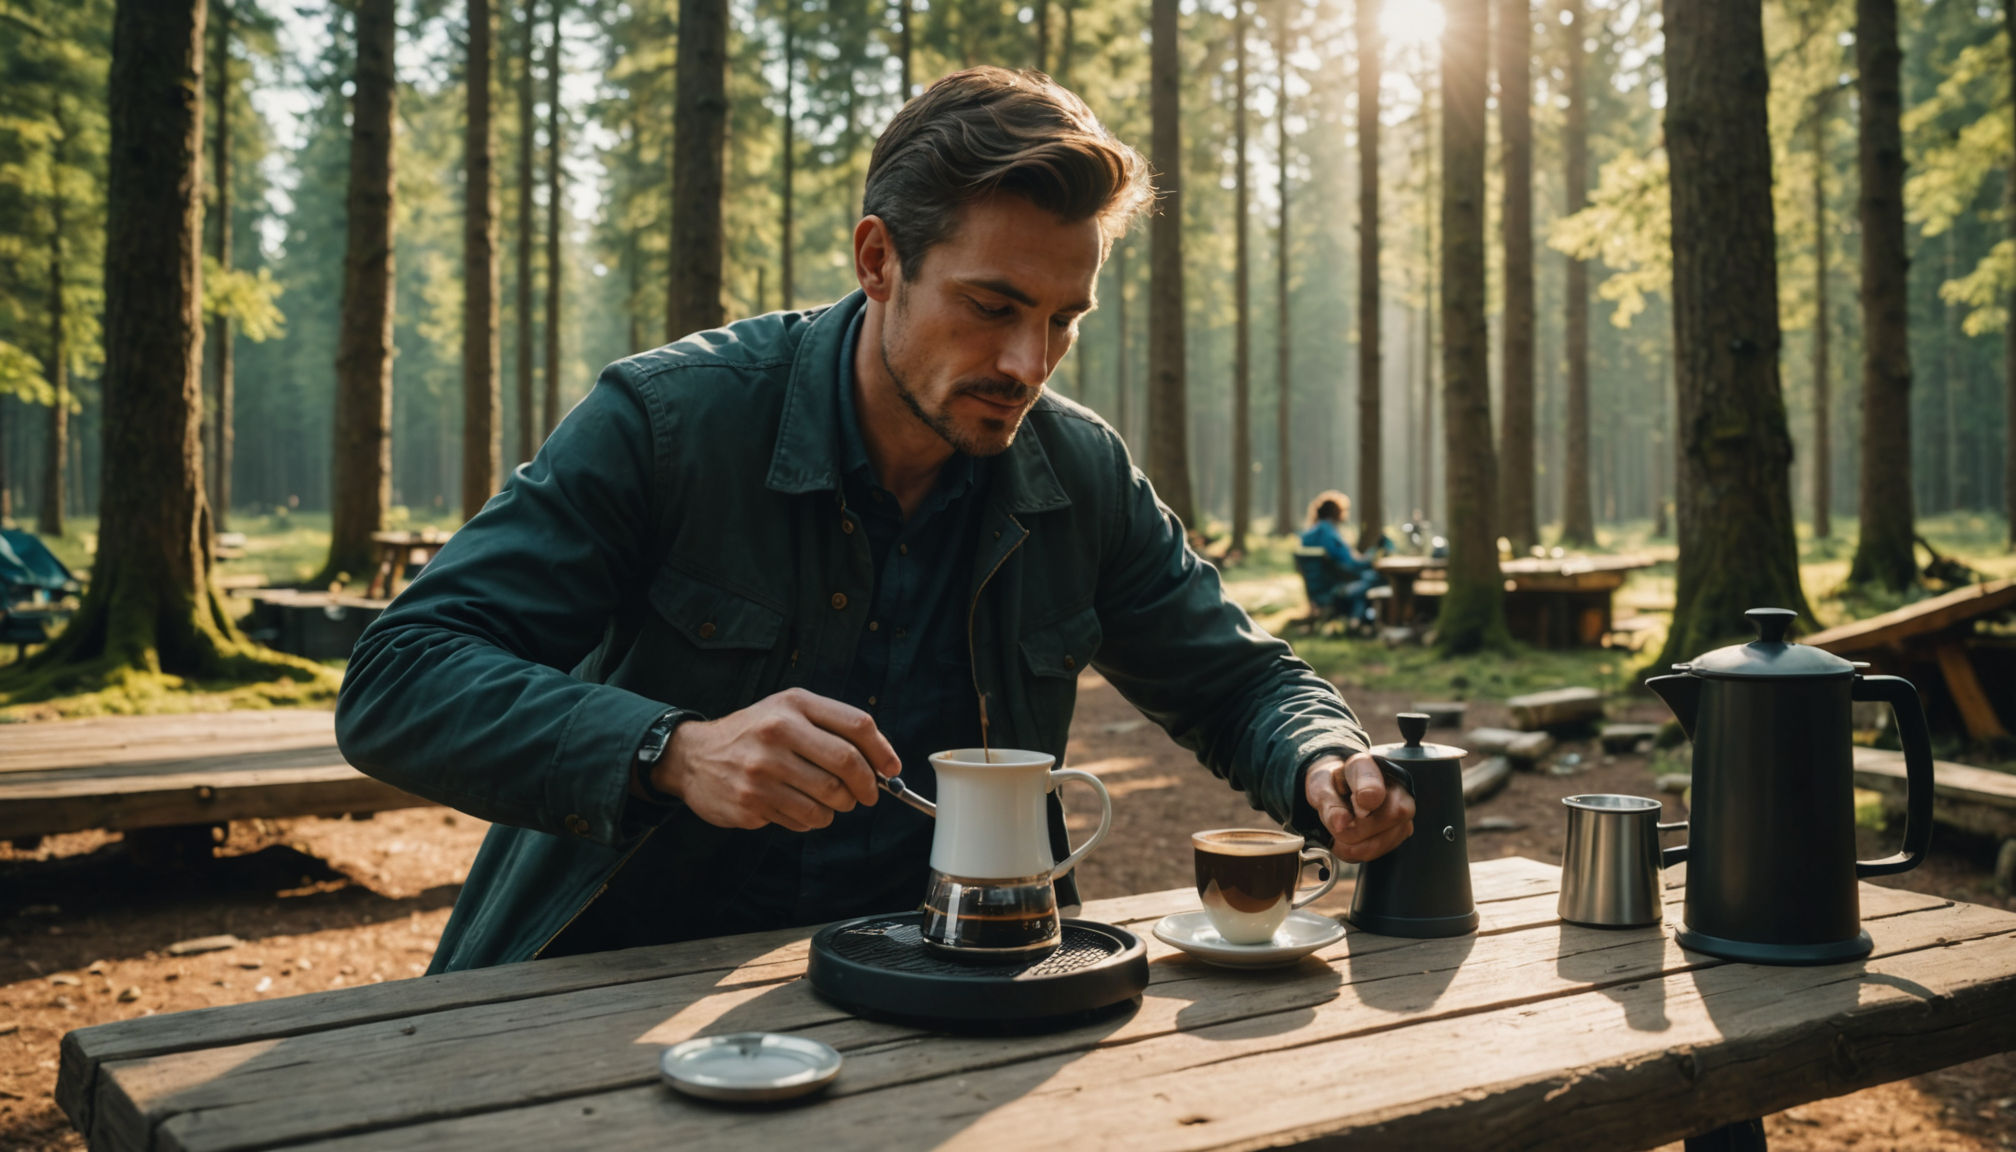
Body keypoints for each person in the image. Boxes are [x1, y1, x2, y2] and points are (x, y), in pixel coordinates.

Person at [335, 68, 1415, 973]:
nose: (1025, 365)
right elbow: (400, 678)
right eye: (992, 307)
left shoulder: (1079, 471)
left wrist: (1322, 760)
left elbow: (1237, 682)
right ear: (878, 260)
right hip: (600, 984)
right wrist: (669, 750)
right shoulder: (670, 422)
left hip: (955, 992)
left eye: (1060, 321)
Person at [1297, 491, 1379, 629]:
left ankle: (1356, 621)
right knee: (1373, 579)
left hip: (1317, 590)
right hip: (1333, 590)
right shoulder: (1329, 534)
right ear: (1338, 513)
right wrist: (1372, 558)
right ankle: (1357, 622)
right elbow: (1351, 563)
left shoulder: (1308, 535)